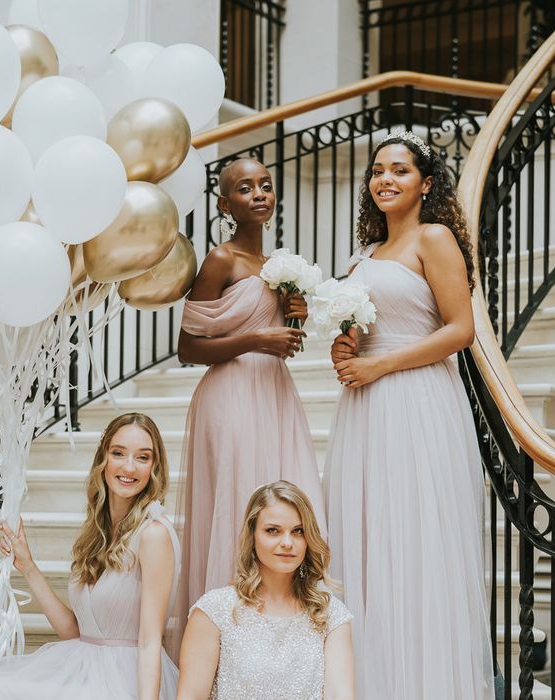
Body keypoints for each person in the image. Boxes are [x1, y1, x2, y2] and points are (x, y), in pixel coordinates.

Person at [323, 130, 493, 699]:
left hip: (417, 402)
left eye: (399, 170)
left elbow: (460, 330)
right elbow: (358, 330)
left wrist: (382, 365)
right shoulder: (362, 257)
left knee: (415, 538)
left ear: (425, 183)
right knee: (367, 536)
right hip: (364, 408)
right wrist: (344, 348)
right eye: (377, 171)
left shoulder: (434, 237)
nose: (385, 180)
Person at [172, 157, 326, 657]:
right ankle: (224, 644)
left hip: (275, 393)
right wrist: (255, 337)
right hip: (232, 396)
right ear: (224, 203)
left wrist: (292, 319)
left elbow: (282, 339)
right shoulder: (221, 260)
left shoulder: (278, 267)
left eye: (265, 185)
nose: (258, 193)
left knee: (285, 501)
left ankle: (280, 638)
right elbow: (187, 348)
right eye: (244, 188)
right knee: (239, 505)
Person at [0, 412, 180, 700]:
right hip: (82, 668)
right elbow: (76, 631)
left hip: (128, 679)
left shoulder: (154, 534)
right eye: (118, 453)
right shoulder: (96, 533)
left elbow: (151, 641)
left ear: (154, 467)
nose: (129, 467)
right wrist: (27, 566)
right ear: (103, 459)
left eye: (143, 457)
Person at [177, 481, 355, 700]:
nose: (287, 542)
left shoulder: (331, 614)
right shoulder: (214, 610)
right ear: (252, 536)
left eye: (298, 531)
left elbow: (341, 695)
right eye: (273, 531)